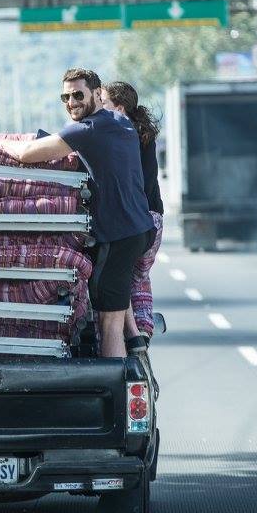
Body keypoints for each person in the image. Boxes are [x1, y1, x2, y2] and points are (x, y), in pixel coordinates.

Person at [0, 68, 155, 358]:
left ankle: (116, 388)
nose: (71, 102)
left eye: (78, 95)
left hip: (118, 237)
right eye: (65, 97)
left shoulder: (88, 129)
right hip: (139, 229)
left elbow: (27, 153)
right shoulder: (120, 122)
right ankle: (135, 343)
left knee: (109, 321)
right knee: (117, 301)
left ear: (97, 94)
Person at [100, 81, 164, 349]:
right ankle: (142, 334)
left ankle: (134, 332)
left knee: (120, 276)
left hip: (136, 220)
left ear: (120, 107)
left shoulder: (121, 135)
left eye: (103, 102)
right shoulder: (143, 134)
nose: (99, 108)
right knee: (138, 277)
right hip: (154, 219)